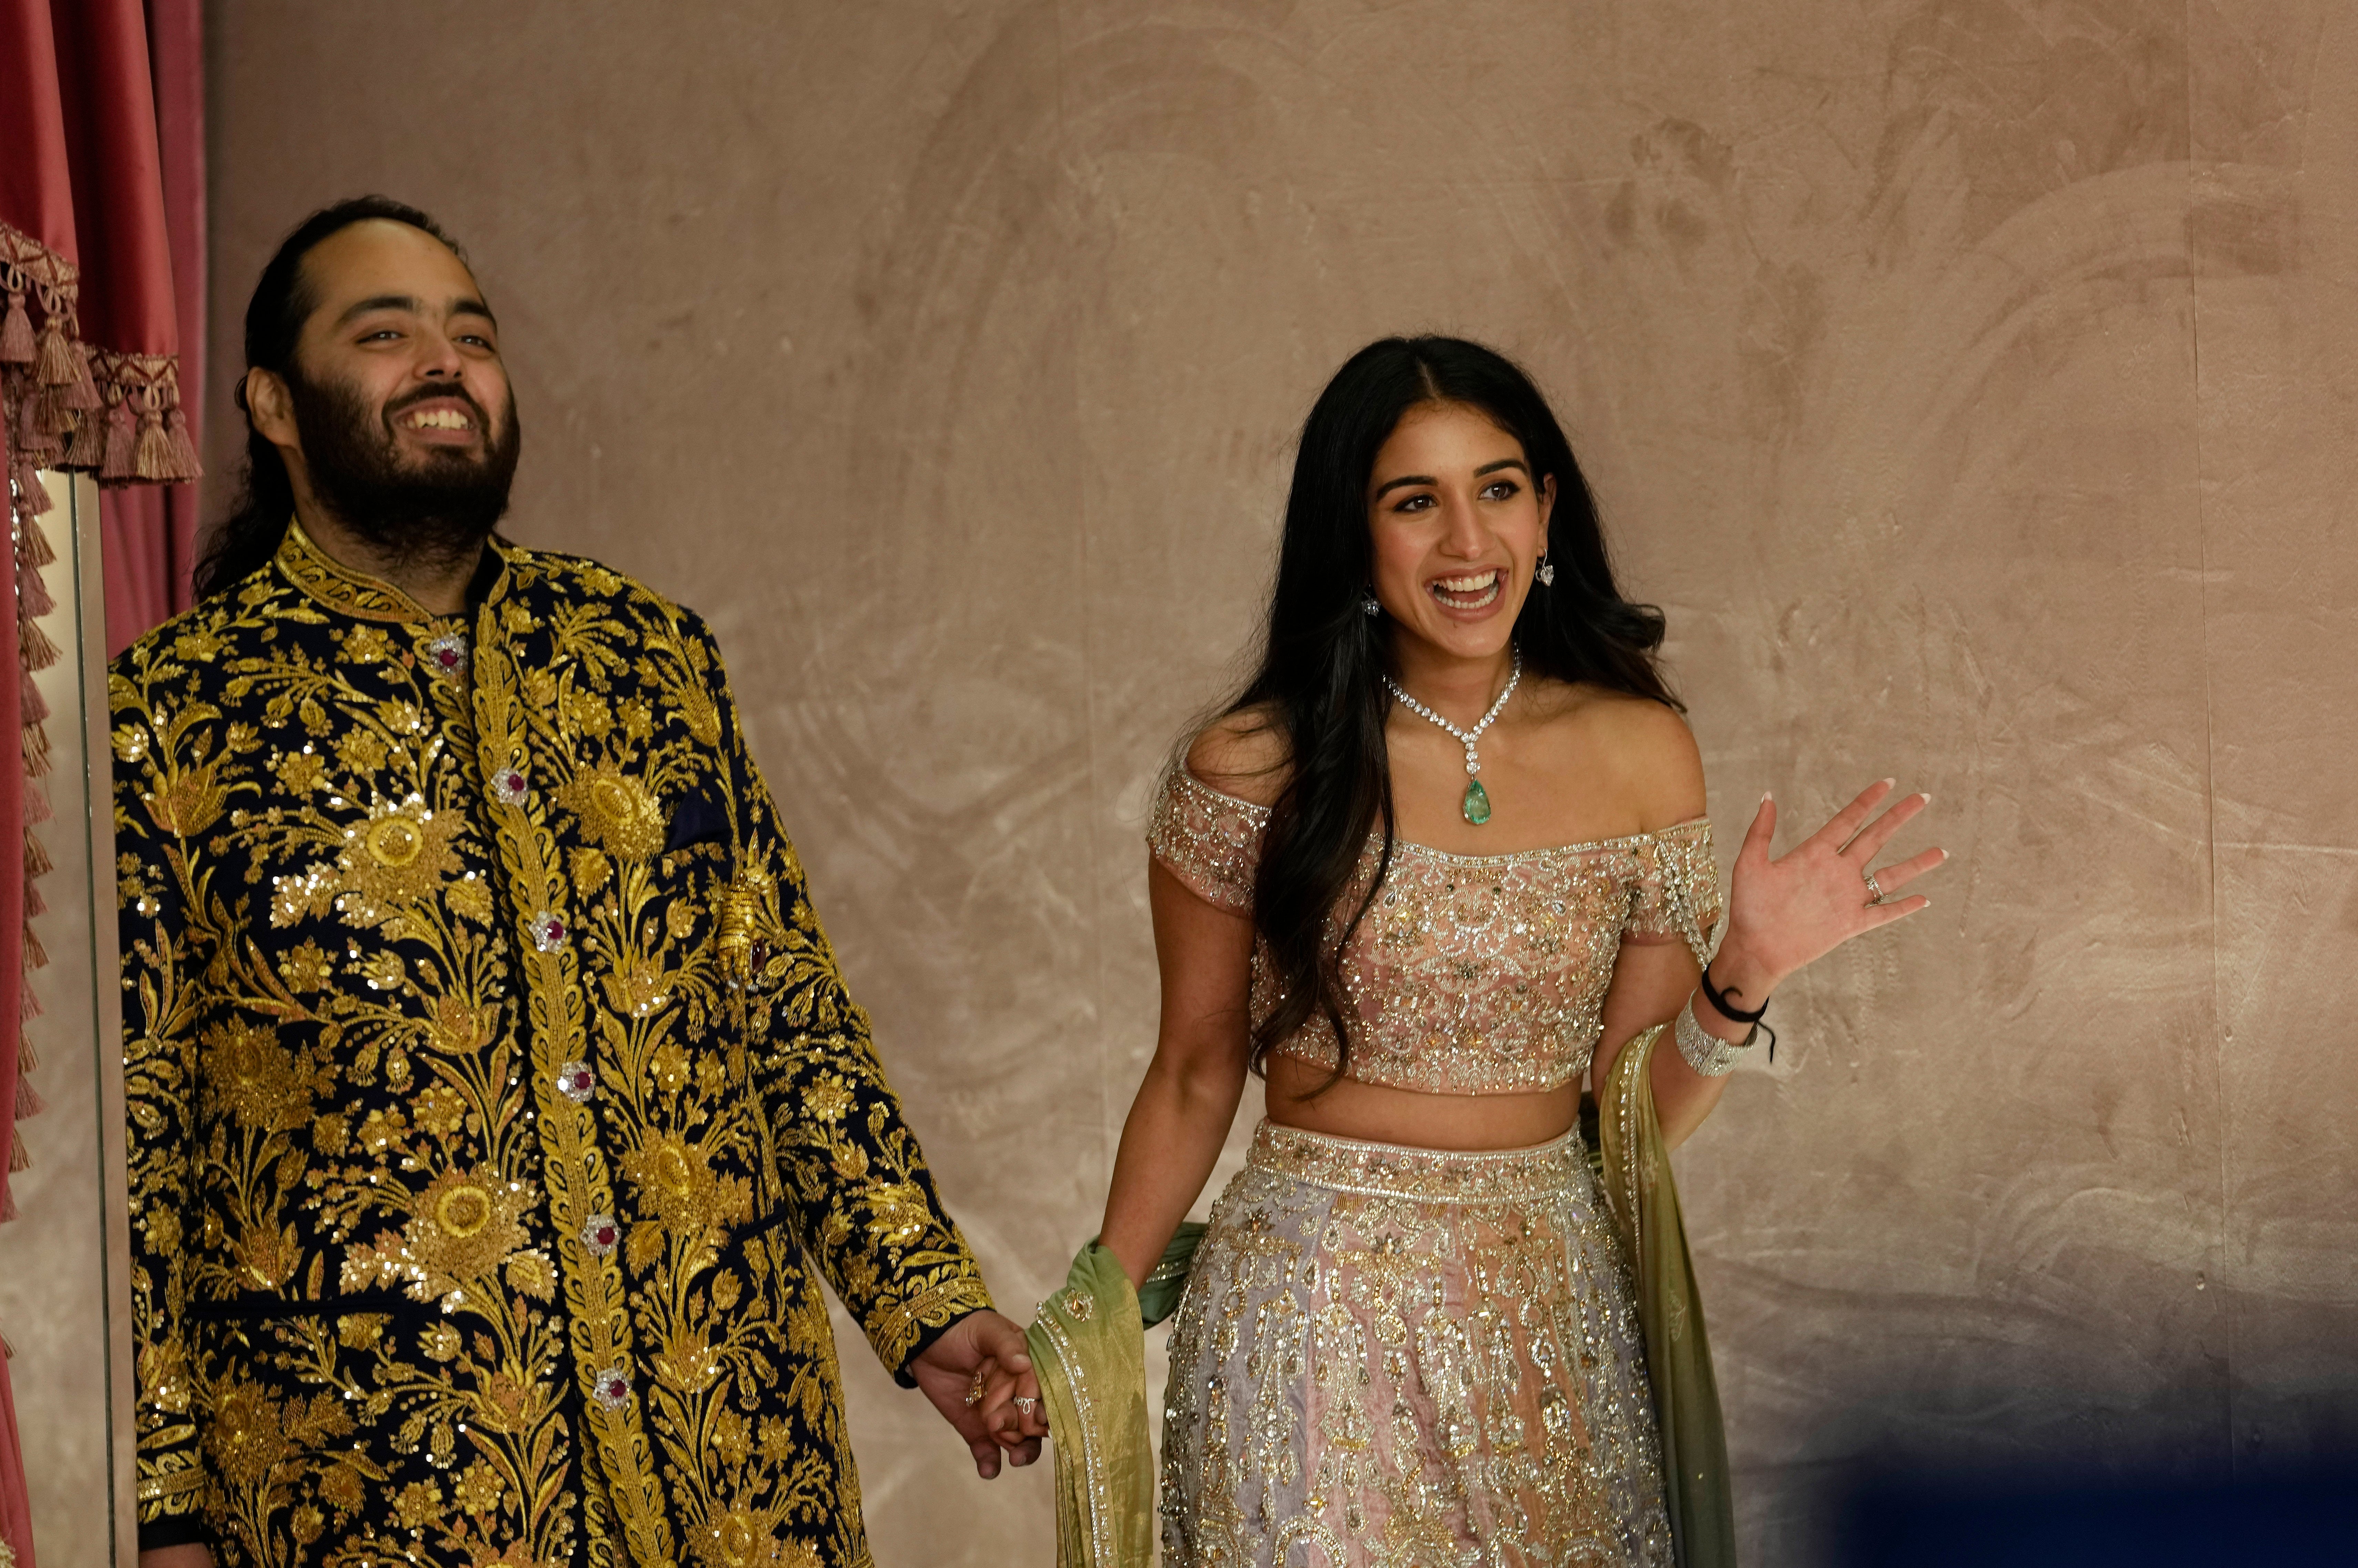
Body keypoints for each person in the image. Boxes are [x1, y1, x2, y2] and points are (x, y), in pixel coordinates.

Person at [116, 196, 1040, 1568]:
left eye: (471, 335)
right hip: (382, 1502)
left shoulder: (642, 656)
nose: (445, 360)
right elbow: (144, 1142)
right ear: (274, 403)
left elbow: (784, 1014)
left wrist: (920, 1300)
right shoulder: (175, 717)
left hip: (729, 1472)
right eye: (388, 333)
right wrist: (165, 1505)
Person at [1090, 337, 1945, 1566]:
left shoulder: (1640, 750)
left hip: (1545, 1329)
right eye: (1412, 501)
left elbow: (1625, 1117)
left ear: (1546, 513)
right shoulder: (1254, 766)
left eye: (1496, 490)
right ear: (1352, 530)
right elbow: (1191, 1069)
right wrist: (1095, 1314)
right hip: (1308, 1325)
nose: (1465, 542)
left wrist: (1746, 967)